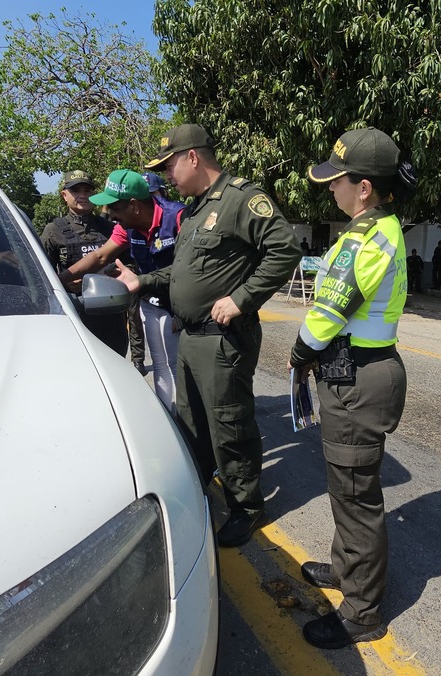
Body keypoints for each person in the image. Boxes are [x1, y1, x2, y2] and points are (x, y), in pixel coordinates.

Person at [115, 123, 302, 547]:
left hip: (222, 339)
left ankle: (247, 507)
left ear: (193, 157)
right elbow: (183, 272)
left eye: (169, 165)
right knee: (193, 422)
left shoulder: (239, 199)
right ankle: (197, 488)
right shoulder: (196, 210)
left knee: (229, 426)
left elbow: (285, 250)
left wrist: (242, 299)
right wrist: (141, 281)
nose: (166, 175)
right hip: (190, 336)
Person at [288, 127, 413, 650]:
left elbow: (330, 309)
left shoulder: (366, 238)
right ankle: (346, 569)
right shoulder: (377, 229)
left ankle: (361, 612)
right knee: (347, 487)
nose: (330, 187)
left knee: (357, 496)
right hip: (357, 372)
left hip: (358, 378)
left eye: (336, 180)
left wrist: (300, 353)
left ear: (363, 188)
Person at [59, 169, 186, 411]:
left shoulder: (179, 218)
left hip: (181, 306)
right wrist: (59, 280)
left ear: (134, 206)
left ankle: (186, 421)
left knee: (179, 368)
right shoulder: (126, 226)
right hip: (151, 304)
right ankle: (169, 418)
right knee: (160, 365)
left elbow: (191, 269)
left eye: (114, 208)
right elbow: (100, 256)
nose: (110, 214)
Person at [40, 170, 127, 356]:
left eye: (87, 190)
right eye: (75, 190)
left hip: (111, 316)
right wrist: (65, 285)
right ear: (64, 195)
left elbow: (131, 265)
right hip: (75, 316)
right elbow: (41, 277)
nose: (82, 195)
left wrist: (119, 276)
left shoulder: (112, 228)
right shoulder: (53, 231)